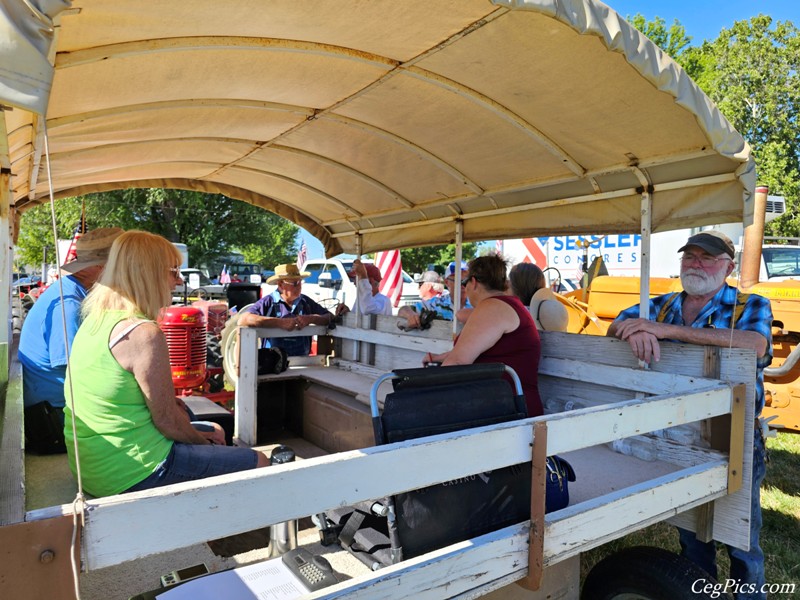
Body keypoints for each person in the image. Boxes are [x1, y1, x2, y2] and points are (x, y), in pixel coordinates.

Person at [607, 230, 772, 599]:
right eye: (690, 257)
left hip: (733, 434)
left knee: (741, 539)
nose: (696, 264)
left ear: (728, 267)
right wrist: (631, 332)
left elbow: (756, 345)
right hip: (677, 434)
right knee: (693, 532)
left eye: (707, 258)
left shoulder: (750, 305)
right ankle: (698, 592)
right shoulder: (660, 305)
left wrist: (665, 331)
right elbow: (615, 323)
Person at [63, 231, 269, 497]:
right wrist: (205, 445)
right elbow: (167, 422)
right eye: (173, 271)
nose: (178, 281)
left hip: (95, 465)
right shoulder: (142, 332)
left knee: (213, 429)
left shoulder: (95, 318)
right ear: (148, 273)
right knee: (260, 462)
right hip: (132, 470)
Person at [19, 227, 124, 454]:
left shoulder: (74, 293)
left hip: (55, 410)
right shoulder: (68, 304)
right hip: (53, 420)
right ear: (103, 267)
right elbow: (74, 368)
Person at [424, 255, 543, 417]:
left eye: (464, 283)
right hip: (509, 406)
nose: (464, 287)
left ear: (473, 282)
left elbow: (458, 361)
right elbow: (477, 349)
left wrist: (426, 398)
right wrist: (438, 358)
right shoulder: (505, 305)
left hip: (509, 412)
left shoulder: (492, 307)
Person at [238, 263, 347, 356]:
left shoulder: (305, 302)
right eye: (295, 283)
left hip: (303, 364)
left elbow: (329, 317)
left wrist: (311, 319)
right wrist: (280, 323)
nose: (299, 286)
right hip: (274, 366)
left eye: (300, 282)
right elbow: (244, 319)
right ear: (280, 284)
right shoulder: (268, 302)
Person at [398, 261, 471, 329]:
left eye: (467, 280)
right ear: (446, 282)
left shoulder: (477, 305)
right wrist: (411, 315)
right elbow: (403, 310)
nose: (463, 285)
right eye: (458, 280)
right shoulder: (435, 304)